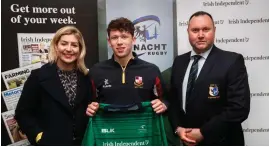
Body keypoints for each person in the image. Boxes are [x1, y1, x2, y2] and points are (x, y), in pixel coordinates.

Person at [168, 11, 250, 146]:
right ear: (188, 31)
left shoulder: (232, 61)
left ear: (214, 30)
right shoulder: (179, 62)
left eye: (206, 29)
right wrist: (178, 128)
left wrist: (203, 132)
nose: (200, 35)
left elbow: (239, 109)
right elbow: (174, 101)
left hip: (222, 141)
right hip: (186, 142)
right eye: (195, 30)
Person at [15, 26, 93, 145]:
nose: (68, 49)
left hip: (82, 142)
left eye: (74, 45)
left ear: (80, 49)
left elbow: (89, 108)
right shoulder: (38, 77)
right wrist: (38, 136)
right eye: (64, 44)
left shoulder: (86, 77)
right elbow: (23, 114)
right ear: (56, 46)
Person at [86, 17, 168, 117]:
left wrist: (163, 105)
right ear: (109, 42)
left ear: (133, 40)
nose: (119, 42)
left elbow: (166, 99)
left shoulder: (151, 70)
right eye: (114, 37)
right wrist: (89, 107)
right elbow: (87, 103)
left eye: (124, 37)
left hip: (142, 130)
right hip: (108, 130)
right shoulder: (96, 71)